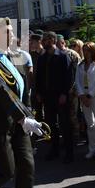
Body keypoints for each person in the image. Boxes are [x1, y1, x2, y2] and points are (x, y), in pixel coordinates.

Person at [0, 17, 43, 188]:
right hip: (1, 122)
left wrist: (28, 113)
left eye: (12, 31)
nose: (12, 35)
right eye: (7, 32)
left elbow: (24, 87)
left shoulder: (15, 57)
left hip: (21, 121)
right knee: (7, 171)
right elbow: (1, 90)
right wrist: (23, 118)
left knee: (27, 166)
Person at [36, 31, 73, 163]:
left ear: (52, 40)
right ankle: (55, 149)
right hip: (47, 96)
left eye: (45, 40)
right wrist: (39, 93)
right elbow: (38, 77)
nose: (42, 42)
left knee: (65, 124)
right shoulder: (42, 58)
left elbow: (68, 77)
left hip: (60, 96)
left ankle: (69, 152)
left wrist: (64, 93)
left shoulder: (63, 56)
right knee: (51, 124)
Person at [75, 42, 95, 161]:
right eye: (84, 50)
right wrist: (82, 95)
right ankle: (92, 149)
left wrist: (89, 95)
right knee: (90, 124)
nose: (85, 52)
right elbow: (77, 81)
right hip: (83, 96)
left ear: (93, 51)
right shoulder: (80, 65)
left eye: (87, 50)